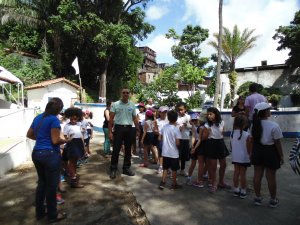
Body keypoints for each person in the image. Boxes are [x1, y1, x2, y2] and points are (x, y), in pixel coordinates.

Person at [26, 97, 68, 223]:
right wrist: (66, 140)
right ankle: (52, 216)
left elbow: (29, 134)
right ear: (59, 109)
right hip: (50, 155)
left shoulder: (38, 117)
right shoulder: (54, 120)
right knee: (51, 186)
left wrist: (41, 139)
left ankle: (40, 213)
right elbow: (55, 140)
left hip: (37, 153)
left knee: (42, 184)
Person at [251, 102, 284, 208]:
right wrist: (281, 156)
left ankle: (257, 198)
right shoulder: (274, 126)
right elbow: (277, 143)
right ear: (265, 112)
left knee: (257, 175)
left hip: (257, 151)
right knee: (271, 177)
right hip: (270, 152)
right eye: (268, 110)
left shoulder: (254, 125)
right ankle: (273, 200)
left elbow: (252, 140)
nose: (270, 111)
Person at [109, 88, 140, 179]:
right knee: (116, 150)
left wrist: (138, 129)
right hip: (118, 128)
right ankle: (113, 169)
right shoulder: (115, 104)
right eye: (124, 92)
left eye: (127, 92)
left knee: (128, 150)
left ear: (129, 94)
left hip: (129, 129)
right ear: (121, 93)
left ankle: (126, 168)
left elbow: (134, 118)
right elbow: (111, 119)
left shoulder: (132, 105)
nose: (125, 94)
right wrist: (110, 132)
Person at [205, 107, 230, 193]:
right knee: (213, 167)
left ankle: (221, 182)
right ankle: (213, 184)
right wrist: (207, 132)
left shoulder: (221, 122)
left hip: (220, 143)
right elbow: (205, 136)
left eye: (211, 114)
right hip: (212, 143)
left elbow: (223, 131)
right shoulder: (207, 125)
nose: (209, 116)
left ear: (216, 114)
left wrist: (224, 131)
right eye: (208, 114)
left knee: (223, 164)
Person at [158, 110, 182, 190]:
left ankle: (163, 182)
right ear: (176, 119)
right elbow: (178, 143)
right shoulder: (176, 129)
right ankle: (174, 184)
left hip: (165, 152)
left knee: (165, 168)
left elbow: (159, 138)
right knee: (174, 169)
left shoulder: (164, 127)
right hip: (174, 153)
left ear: (168, 118)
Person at [230, 115, 252, 199]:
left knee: (236, 172)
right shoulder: (247, 135)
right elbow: (249, 148)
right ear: (245, 124)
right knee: (243, 174)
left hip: (235, 156)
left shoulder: (232, 133)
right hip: (244, 157)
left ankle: (236, 189)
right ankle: (243, 191)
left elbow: (232, 145)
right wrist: (250, 155)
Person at [63, 107, 85, 188]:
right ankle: (74, 180)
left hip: (79, 143)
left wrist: (84, 146)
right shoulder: (67, 126)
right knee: (71, 162)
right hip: (72, 144)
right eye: (71, 117)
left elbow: (81, 136)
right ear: (69, 117)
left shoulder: (79, 124)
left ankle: (74, 177)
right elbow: (65, 137)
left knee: (75, 162)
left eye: (75, 118)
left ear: (78, 117)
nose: (73, 119)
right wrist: (69, 139)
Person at [187, 111, 208, 188]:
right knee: (193, 162)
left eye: (196, 120)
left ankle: (200, 179)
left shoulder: (203, 127)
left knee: (201, 163)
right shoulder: (194, 126)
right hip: (196, 143)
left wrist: (194, 147)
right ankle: (189, 177)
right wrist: (192, 146)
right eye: (193, 120)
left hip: (202, 144)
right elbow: (193, 136)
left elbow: (200, 139)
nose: (195, 121)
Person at [176, 102, 192, 176]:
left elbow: (191, 126)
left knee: (183, 156)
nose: (180, 111)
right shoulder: (176, 116)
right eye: (179, 110)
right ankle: (174, 170)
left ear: (185, 109)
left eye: (182, 109)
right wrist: (178, 128)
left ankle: (182, 170)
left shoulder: (188, 117)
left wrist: (186, 125)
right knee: (176, 155)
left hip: (185, 138)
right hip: (177, 138)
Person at [155, 106, 169, 174]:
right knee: (161, 153)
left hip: (168, 139)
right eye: (163, 112)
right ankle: (161, 166)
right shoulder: (157, 120)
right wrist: (158, 133)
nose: (164, 113)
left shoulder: (169, 120)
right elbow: (154, 129)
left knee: (167, 154)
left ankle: (167, 167)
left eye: (165, 112)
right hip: (160, 139)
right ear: (159, 113)